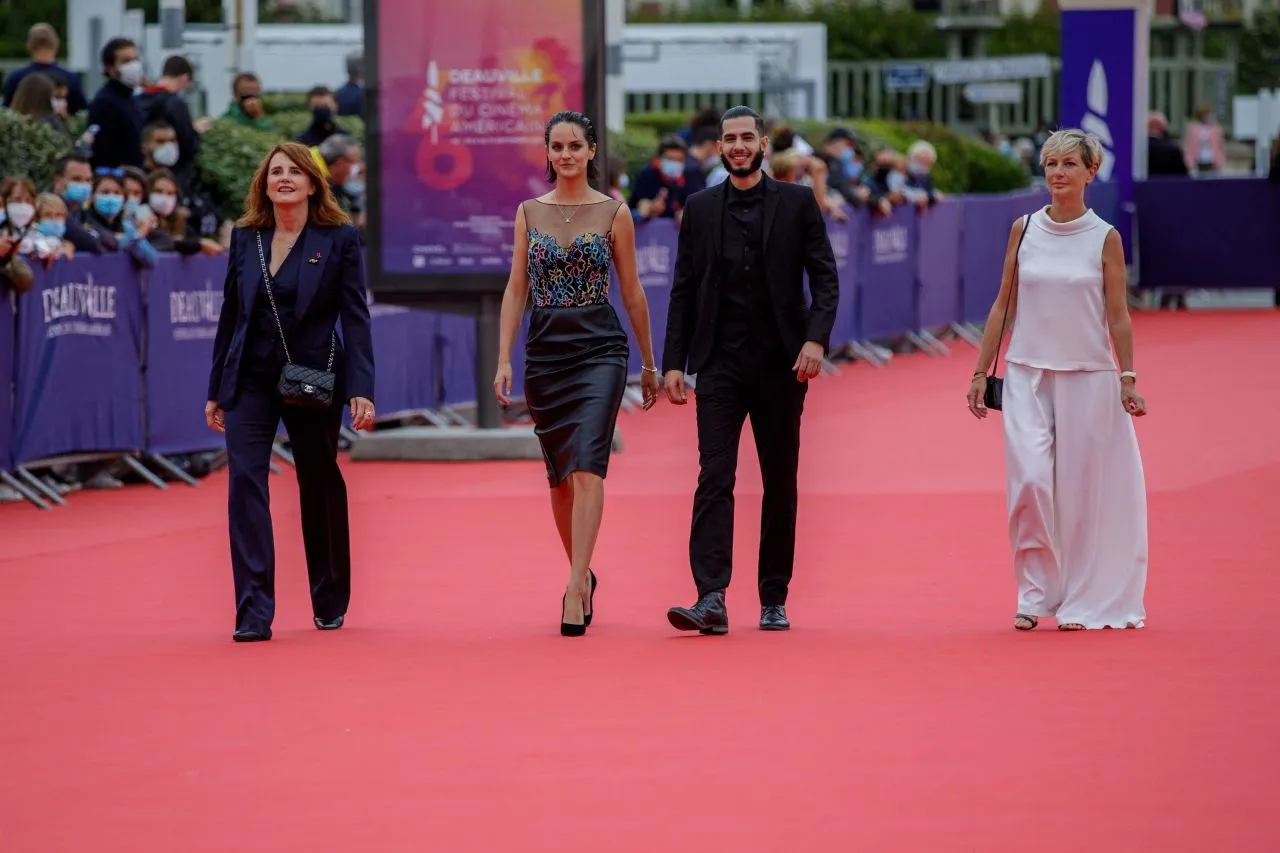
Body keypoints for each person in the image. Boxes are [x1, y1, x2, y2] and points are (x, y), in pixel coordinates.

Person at [661, 105, 840, 635]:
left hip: (783, 363)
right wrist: (674, 362)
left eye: (747, 137)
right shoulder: (699, 207)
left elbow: (824, 279)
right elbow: (684, 289)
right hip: (718, 363)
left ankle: (773, 597)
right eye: (729, 139)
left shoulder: (797, 202)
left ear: (763, 143)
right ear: (719, 147)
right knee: (713, 476)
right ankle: (710, 595)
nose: (738, 146)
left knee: (779, 479)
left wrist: (815, 340)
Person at [966, 128, 1149, 633]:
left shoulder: (1104, 236)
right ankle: (1035, 593)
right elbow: (1005, 303)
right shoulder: (1023, 228)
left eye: (1069, 164)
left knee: (1081, 491)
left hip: (1089, 375)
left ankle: (1084, 598)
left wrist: (1127, 378)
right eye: (1051, 163)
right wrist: (982, 371)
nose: (1058, 173)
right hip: (1026, 373)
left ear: (1091, 172)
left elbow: (1118, 316)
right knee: (1028, 482)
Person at [493, 111, 660, 637]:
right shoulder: (527, 213)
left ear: (592, 152)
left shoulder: (615, 213)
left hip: (600, 349)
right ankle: (585, 571)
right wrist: (503, 358)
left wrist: (649, 364)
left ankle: (571, 586)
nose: (565, 154)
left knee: (589, 465)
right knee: (560, 476)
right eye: (556, 146)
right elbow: (516, 287)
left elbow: (632, 293)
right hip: (545, 351)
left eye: (574, 146)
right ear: (547, 153)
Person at [205, 141, 375, 643]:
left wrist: (360, 389)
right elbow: (230, 317)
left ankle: (329, 595)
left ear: (312, 183)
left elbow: (355, 317)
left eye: (293, 172)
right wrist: (217, 387)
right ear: (264, 183)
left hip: (313, 378)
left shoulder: (338, 238)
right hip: (251, 381)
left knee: (318, 482)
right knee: (245, 485)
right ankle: (253, 611)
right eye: (275, 171)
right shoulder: (246, 237)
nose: (283, 178)